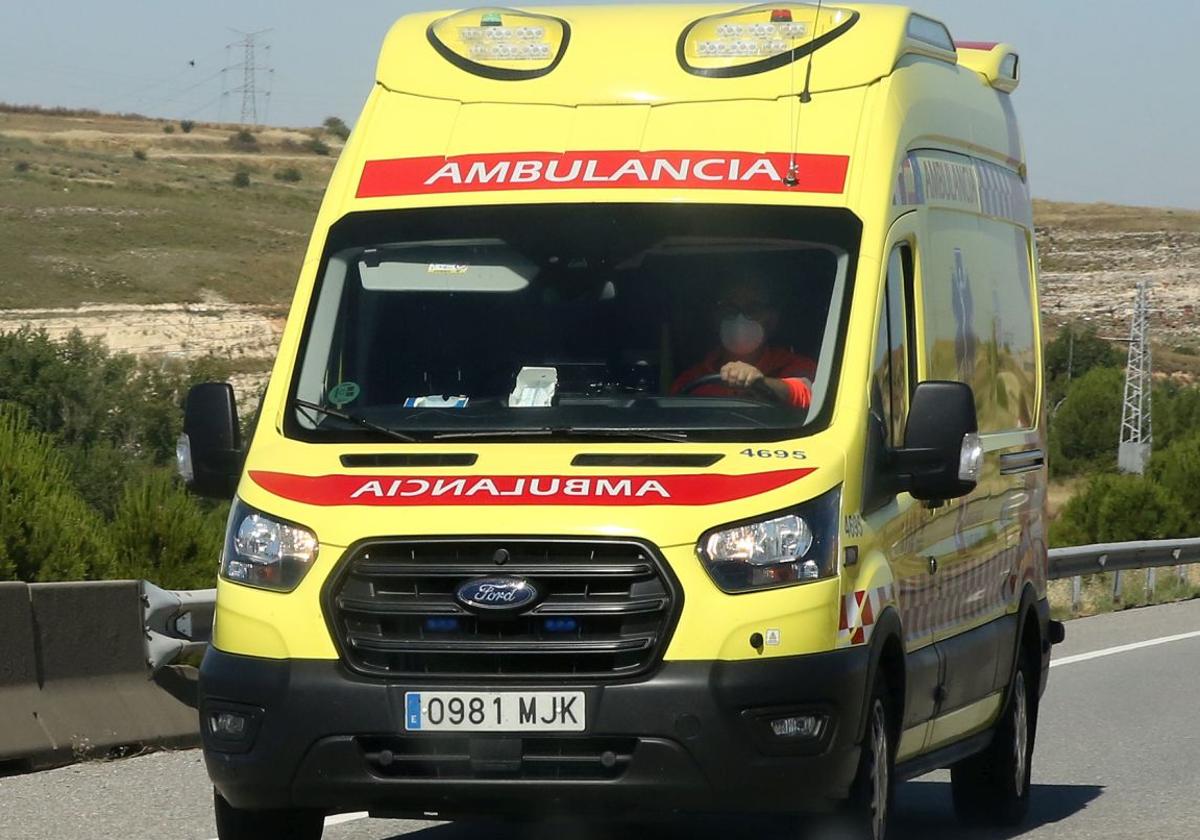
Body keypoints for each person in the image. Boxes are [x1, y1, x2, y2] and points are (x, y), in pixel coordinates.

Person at [671, 280, 816, 408]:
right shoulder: (692, 379)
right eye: (730, 308)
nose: (740, 318)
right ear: (716, 317)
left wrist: (762, 384)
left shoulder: (796, 366)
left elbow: (810, 396)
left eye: (753, 309)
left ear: (772, 319)